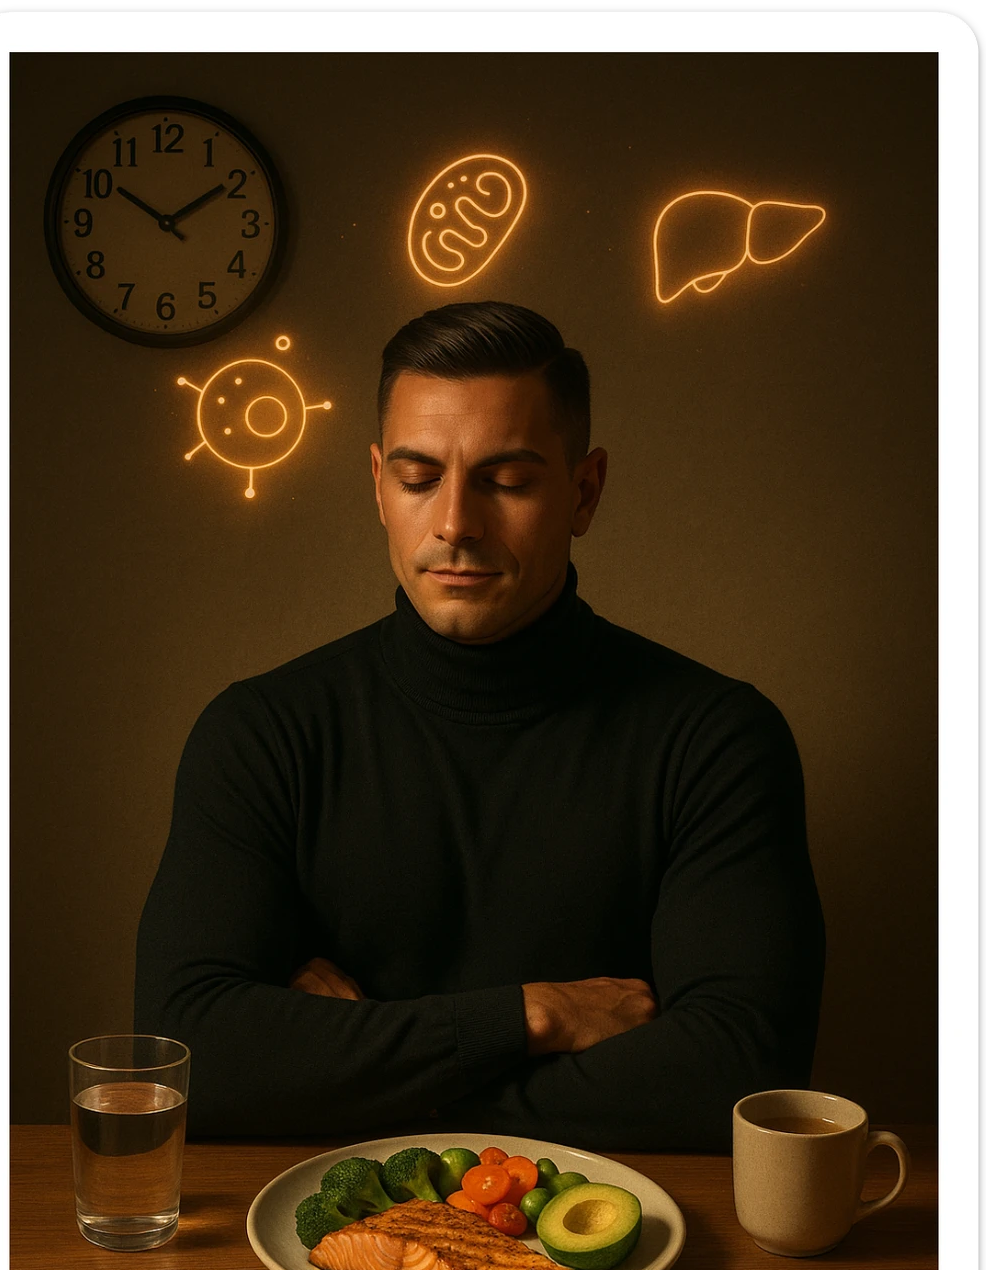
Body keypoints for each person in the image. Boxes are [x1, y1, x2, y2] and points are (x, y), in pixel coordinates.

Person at [134, 300, 824, 1152]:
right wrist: (527, 1017)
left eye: (507, 479)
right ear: (378, 487)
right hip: (313, 1249)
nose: (456, 523)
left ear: (585, 489)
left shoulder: (717, 739)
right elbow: (193, 1059)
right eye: (419, 478)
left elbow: (743, 1071)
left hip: (626, 1254)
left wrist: (374, 1068)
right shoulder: (262, 732)